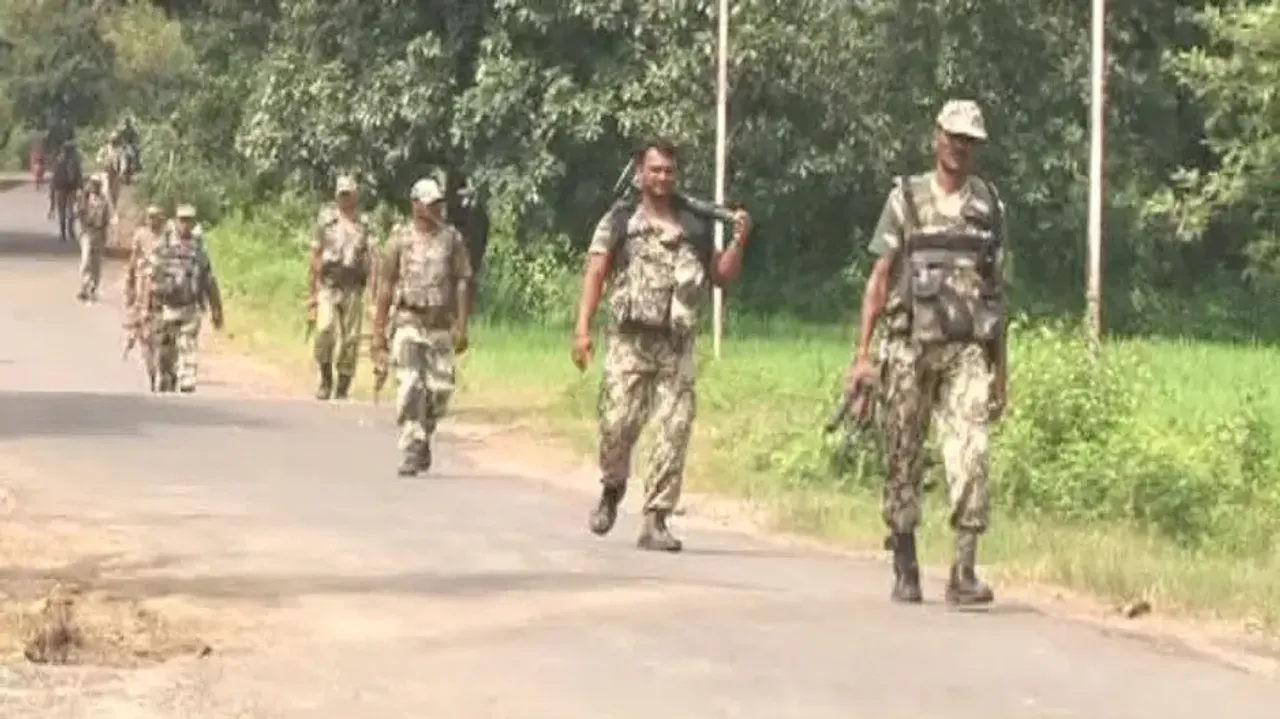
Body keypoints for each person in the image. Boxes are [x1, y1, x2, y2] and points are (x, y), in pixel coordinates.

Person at [847, 99, 1008, 606]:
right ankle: (905, 561)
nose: (960, 147)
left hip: (966, 351)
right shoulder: (906, 199)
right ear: (936, 137)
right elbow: (878, 277)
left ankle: (963, 570)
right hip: (909, 347)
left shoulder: (988, 206)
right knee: (902, 456)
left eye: (970, 141)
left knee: (972, 454)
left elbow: (997, 293)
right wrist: (863, 354)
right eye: (954, 137)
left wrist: (1001, 372)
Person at [573, 139, 752, 552]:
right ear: (640, 173)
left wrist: (740, 241)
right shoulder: (619, 220)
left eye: (669, 170)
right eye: (655, 170)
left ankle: (656, 519)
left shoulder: (695, 224)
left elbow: (721, 277)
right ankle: (612, 487)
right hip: (628, 342)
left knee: (674, 429)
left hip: (676, 346)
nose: (663, 177)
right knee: (617, 424)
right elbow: (596, 272)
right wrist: (582, 329)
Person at [370, 178, 473, 477]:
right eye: (430, 203)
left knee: (439, 391)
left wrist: (462, 325)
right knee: (409, 385)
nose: (436, 208)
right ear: (415, 205)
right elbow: (385, 285)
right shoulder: (399, 239)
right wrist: (378, 333)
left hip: (439, 323)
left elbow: (463, 279)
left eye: (438, 203)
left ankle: (424, 432)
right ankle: (412, 445)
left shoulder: (451, 239)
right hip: (408, 319)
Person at [142, 204, 225, 393]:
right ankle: (167, 378)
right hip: (167, 307)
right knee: (165, 353)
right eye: (182, 220)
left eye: (189, 220)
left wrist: (216, 310)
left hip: (190, 307)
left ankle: (187, 381)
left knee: (188, 346)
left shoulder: (198, 250)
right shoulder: (163, 247)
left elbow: (209, 280)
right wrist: (147, 307)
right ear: (176, 221)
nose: (185, 224)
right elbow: (151, 277)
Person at [308, 175, 374, 400]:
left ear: (355, 196)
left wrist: (374, 290)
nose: (345, 199)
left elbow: (372, 257)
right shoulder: (326, 222)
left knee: (351, 339)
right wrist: (312, 293)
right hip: (328, 285)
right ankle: (325, 378)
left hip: (353, 286)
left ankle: (343, 383)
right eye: (341, 194)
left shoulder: (364, 224)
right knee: (324, 329)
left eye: (349, 194)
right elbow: (315, 256)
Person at [123, 205, 167, 381]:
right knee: (140, 314)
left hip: (162, 280)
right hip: (144, 278)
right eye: (150, 217)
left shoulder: (166, 237)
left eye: (155, 217)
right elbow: (134, 258)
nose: (152, 220)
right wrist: (130, 280)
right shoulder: (141, 235)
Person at [74, 174, 114, 302]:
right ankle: (85, 286)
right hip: (87, 232)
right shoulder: (85, 198)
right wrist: (82, 229)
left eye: (97, 184)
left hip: (99, 233)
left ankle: (93, 287)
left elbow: (108, 218)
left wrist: (108, 234)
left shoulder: (104, 201)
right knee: (86, 260)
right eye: (93, 184)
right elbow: (79, 214)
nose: (94, 187)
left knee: (96, 263)